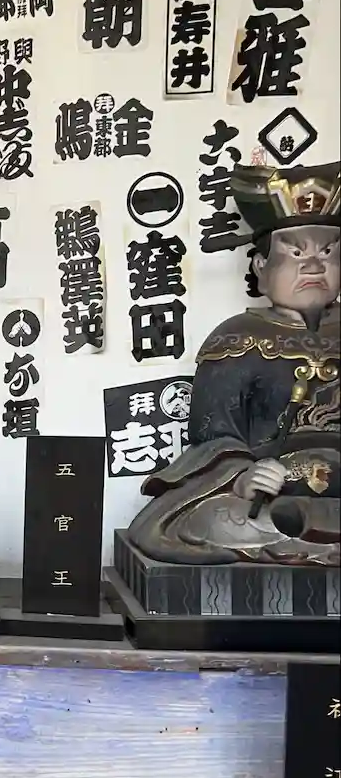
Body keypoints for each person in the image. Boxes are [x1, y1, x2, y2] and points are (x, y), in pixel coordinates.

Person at [128, 161, 338, 565]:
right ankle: (302, 538)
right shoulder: (237, 337)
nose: (313, 266)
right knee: (223, 520)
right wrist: (243, 477)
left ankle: (306, 538)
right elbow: (212, 434)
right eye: (296, 253)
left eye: (327, 252)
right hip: (270, 489)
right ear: (261, 267)